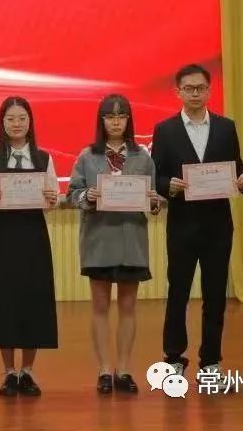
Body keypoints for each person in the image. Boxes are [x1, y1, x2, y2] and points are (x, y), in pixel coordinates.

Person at [152, 64, 243, 386]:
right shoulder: (165, 130)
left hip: (218, 225)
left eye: (200, 88)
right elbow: (156, 175)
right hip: (182, 224)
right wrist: (168, 186)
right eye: (188, 88)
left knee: (215, 296)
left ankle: (211, 362)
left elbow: (237, 168)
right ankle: (173, 358)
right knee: (178, 292)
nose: (195, 93)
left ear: (209, 91)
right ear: (178, 92)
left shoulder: (225, 127)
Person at [67, 94, 161, 395]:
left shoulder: (142, 157)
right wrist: (87, 197)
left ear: (129, 120)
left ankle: (124, 369)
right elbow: (72, 194)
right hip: (99, 239)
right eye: (110, 116)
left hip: (132, 239)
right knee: (100, 305)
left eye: (121, 116)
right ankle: (104, 370)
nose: (116, 121)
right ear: (102, 121)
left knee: (129, 306)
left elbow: (155, 198)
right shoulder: (87, 156)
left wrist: (155, 201)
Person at [0, 97, 60, 397]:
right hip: (2, 236)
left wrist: (52, 199)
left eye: (22, 118)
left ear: (30, 121)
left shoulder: (44, 158)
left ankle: (29, 371)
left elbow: (54, 197)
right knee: (4, 300)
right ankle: (10, 372)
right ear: (2, 123)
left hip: (34, 236)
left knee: (34, 299)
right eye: (10, 119)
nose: (16, 124)